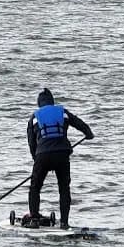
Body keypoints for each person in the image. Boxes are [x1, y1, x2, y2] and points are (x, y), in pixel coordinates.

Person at [27, 88, 94, 229]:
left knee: (35, 187)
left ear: (39, 104)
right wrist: (88, 133)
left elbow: (32, 143)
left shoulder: (34, 117)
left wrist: (37, 161)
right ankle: (64, 222)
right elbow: (80, 124)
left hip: (42, 156)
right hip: (62, 154)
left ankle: (33, 219)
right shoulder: (62, 112)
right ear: (52, 102)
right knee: (64, 188)